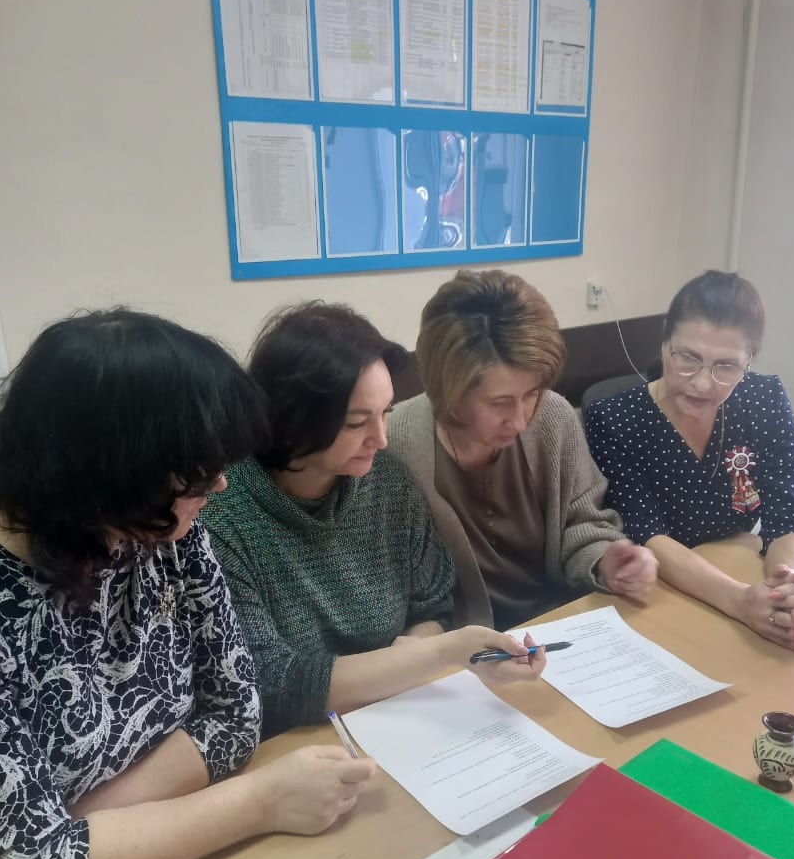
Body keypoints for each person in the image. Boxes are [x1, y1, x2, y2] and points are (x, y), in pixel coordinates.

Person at [0, 310, 376, 859]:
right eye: (198, 472)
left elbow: (236, 713)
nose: (220, 485)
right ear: (115, 470)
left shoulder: (162, 529)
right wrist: (258, 802)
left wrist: (88, 823)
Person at [203, 302, 546, 737]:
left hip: (402, 714)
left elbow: (431, 604)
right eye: (356, 423)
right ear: (291, 419)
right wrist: (437, 655)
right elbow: (273, 683)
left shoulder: (387, 483)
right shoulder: (222, 512)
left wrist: (419, 651)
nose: (381, 439)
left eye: (385, 413)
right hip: (299, 742)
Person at [388, 270, 657, 629]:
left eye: (531, 394)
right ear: (448, 388)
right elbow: (409, 589)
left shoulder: (553, 417)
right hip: (466, 641)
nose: (519, 420)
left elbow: (583, 523)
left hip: (561, 624)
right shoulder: (398, 443)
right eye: (498, 402)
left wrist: (606, 560)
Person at [584, 270, 794, 652]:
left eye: (726, 366)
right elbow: (646, 534)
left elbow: (791, 515)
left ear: (749, 361)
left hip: (736, 571)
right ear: (665, 343)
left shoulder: (764, 400)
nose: (702, 383)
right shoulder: (614, 420)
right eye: (687, 358)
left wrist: (789, 587)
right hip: (661, 598)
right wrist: (740, 601)